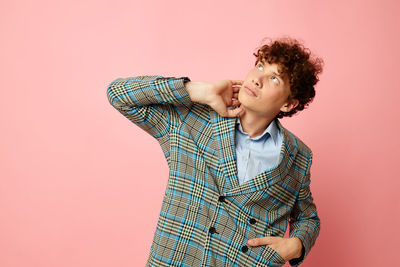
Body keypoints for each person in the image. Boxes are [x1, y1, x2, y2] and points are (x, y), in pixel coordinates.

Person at [107, 37, 323, 267]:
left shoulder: (298, 156)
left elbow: (308, 217)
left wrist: (297, 244)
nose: (257, 79)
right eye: (260, 65)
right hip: (174, 259)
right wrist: (196, 90)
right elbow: (118, 95)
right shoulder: (193, 120)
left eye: (274, 78)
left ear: (288, 104)